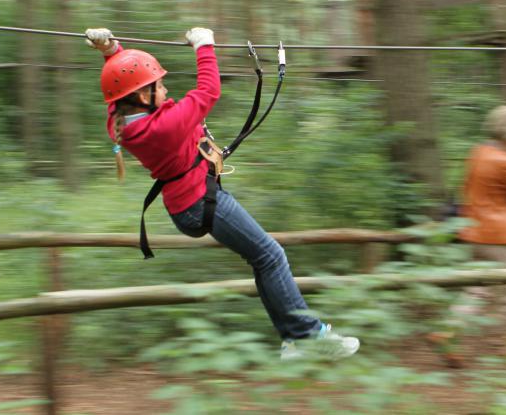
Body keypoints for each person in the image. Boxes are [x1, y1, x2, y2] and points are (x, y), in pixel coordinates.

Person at [86, 27, 359, 360]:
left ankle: (293, 339)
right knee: (271, 256)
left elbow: (121, 84)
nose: (166, 88)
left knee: (264, 259)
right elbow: (208, 92)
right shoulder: (163, 128)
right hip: (199, 201)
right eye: (160, 85)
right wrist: (204, 46)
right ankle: (307, 337)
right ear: (144, 97)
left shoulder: (122, 120)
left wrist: (111, 50)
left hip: (191, 201)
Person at [457, 105, 506, 332]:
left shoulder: (477, 153)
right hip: (499, 236)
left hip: (473, 231)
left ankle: (448, 333)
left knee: (476, 289)